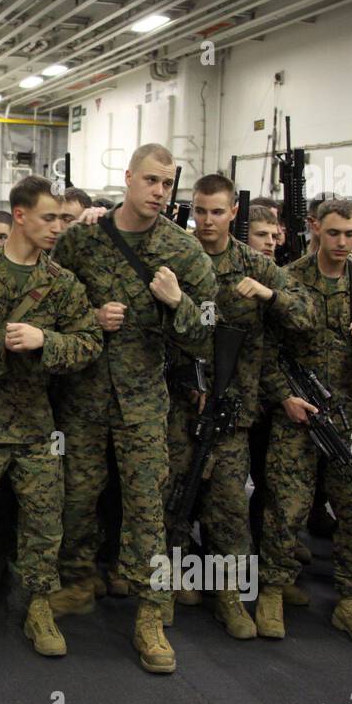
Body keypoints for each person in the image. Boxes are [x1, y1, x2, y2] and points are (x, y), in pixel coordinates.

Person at [51, 145, 215, 673]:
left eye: (167, 184)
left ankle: (150, 611)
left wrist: (177, 303)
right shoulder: (81, 240)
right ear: (127, 178)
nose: (159, 192)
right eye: (150, 180)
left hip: (145, 398)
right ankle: (77, 582)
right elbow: (51, 303)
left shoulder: (182, 251)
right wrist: (89, 317)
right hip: (84, 394)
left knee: (146, 504)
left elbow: (207, 333)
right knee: (77, 494)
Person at [157, 175, 316, 637]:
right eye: (200, 210)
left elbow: (307, 315)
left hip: (232, 410)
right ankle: (168, 585)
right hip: (177, 406)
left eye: (216, 211)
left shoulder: (253, 263)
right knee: (171, 500)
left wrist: (271, 295)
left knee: (229, 508)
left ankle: (228, 595)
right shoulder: (176, 261)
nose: (207, 220)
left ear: (233, 214)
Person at [0, 175, 102, 657]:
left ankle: (38, 602)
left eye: (62, 218)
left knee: (43, 520)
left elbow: (89, 343)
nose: (58, 227)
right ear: (19, 216)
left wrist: (47, 342)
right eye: (48, 218)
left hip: (37, 422)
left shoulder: (63, 285)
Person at [257, 199, 352, 647]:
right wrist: (283, 395)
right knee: (285, 508)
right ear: (314, 228)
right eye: (334, 233)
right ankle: (271, 590)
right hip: (299, 415)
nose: (343, 242)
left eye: (350, 234)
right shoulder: (292, 279)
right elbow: (264, 351)